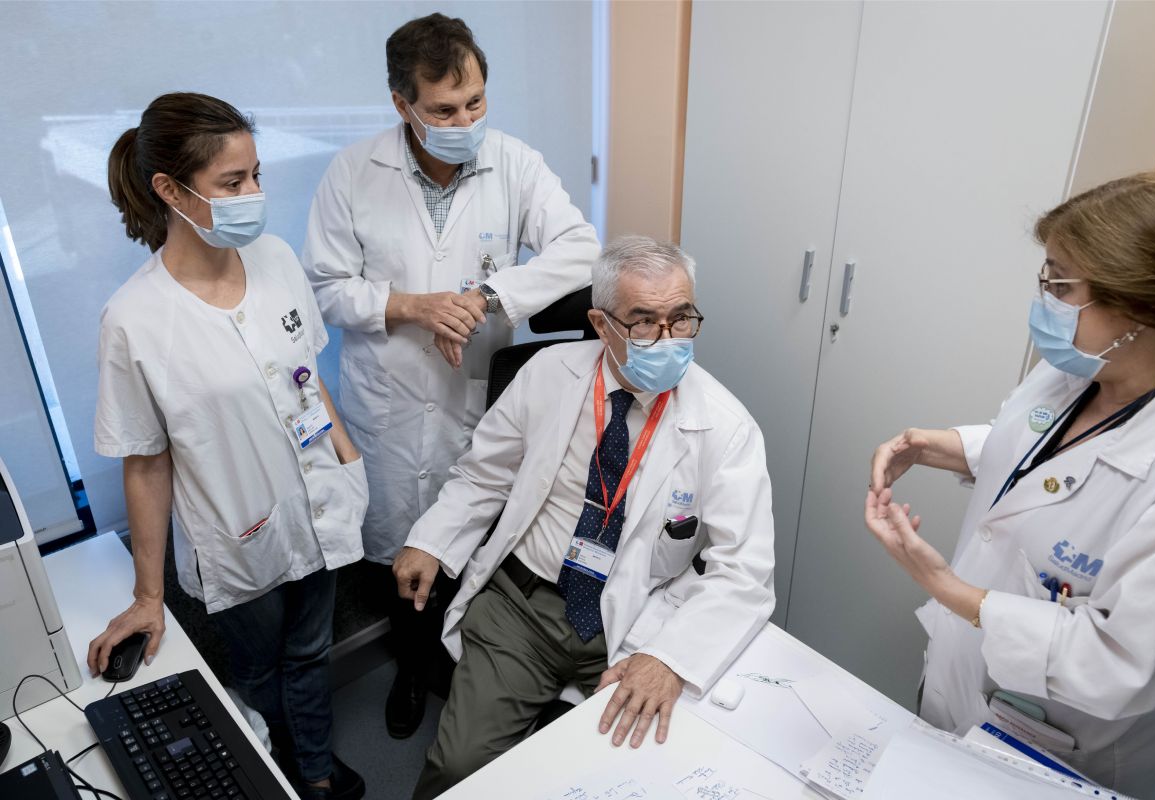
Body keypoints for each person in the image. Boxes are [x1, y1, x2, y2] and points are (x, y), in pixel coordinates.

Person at [302, 12, 600, 738]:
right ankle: (411, 672)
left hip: (478, 401)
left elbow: (579, 247)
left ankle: (470, 673)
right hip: (392, 403)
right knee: (402, 560)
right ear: (402, 103)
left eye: (475, 103)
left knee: (478, 547)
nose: (464, 121)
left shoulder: (515, 164)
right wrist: (409, 306)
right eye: (442, 109)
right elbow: (324, 287)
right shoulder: (353, 173)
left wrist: (487, 299)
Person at [392, 236, 776, 799]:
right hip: (522, 609)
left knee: (625, 784)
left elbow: (744, 571)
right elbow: (484, 474)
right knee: (458, 770)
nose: (667, 338)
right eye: (643, 321)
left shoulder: (726, 426)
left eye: (681, 318)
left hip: (637, 617)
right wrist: (433, 539)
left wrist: (668, 657)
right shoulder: (548, 373)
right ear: (601, 323)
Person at [865, 170, 1155, 799]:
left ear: (1142, 305)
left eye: (1061, 282)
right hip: (965, 679)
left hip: (1069, 748)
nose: (1044, 296)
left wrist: (944, 585)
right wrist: (940, 445)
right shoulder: (1079, 372)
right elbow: (1039, 454)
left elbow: (1117, 664)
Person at [87, 92, 368, 800]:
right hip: (237, 536)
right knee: (259, 668)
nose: (254, 195)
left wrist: (348, 459)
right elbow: (145, 462)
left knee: (311, 651)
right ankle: (276, 767)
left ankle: (318, 769)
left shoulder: (273, 257)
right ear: (170, 190)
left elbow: (307, 370)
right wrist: (147, 596)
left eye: (257, 176)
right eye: (232, 183)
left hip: (320, 500)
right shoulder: (134, 320)